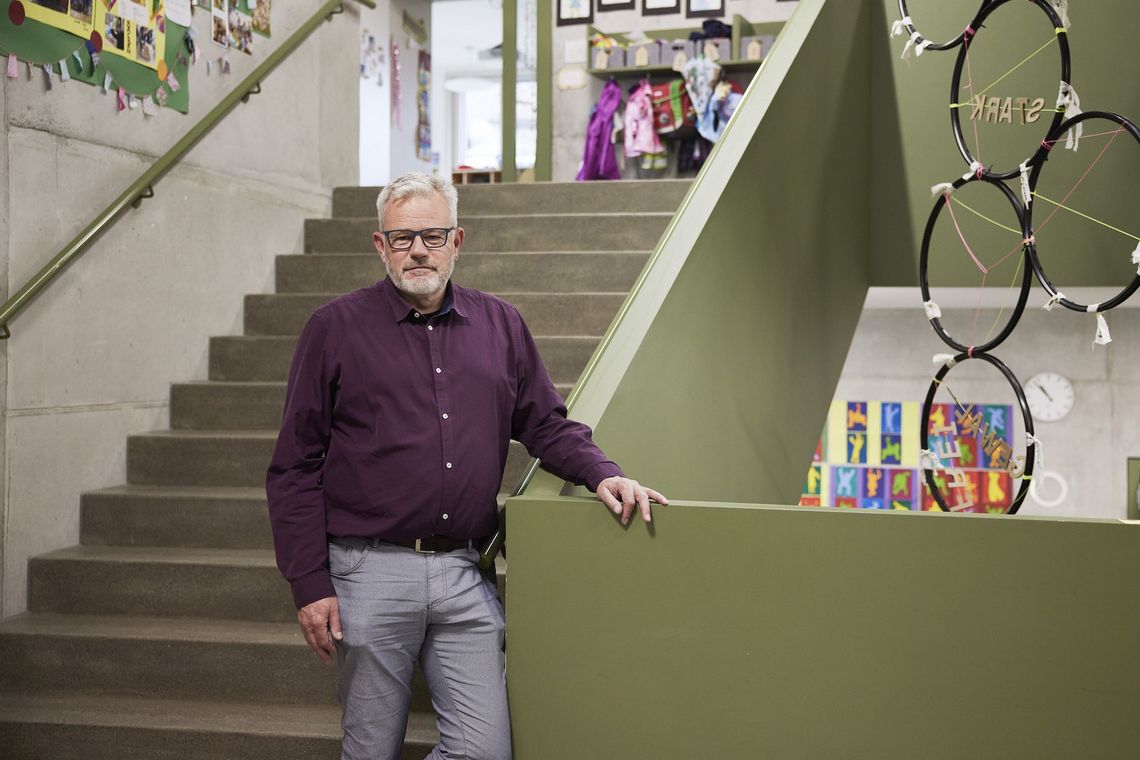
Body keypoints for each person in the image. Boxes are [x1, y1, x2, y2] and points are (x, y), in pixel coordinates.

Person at [266, 171, 667, 760]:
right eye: (402, 239)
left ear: (457, 240)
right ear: (381, 246)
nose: (418, 250)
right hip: (368, 574)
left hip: (464, 574)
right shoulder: (334, 329)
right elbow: (294, 466)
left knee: (482, 752)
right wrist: (309, 582)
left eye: (432, 235)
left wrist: (602, 472)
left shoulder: (501, 325)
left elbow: (546, 424)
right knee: (370, 750)